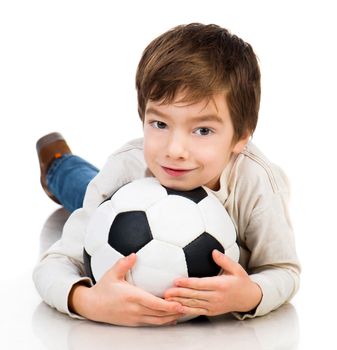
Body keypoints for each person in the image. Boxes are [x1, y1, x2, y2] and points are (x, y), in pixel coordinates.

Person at [33, 23, 300, 327]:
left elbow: (284, 270)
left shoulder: (258, 185)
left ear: (241, 138)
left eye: (203, 130)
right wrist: (87, 301)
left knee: (85, 188)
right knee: (80, 189)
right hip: (111, 189)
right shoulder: (125, 171)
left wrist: (251, 293)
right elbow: (53, 265)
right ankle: (58, 165)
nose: (175, 150)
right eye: (160, 124)